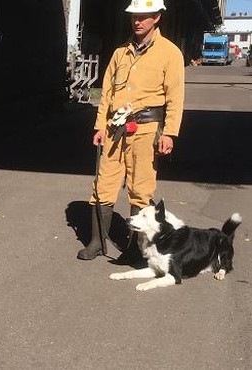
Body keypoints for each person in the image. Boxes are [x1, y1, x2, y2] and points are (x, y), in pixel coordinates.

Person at [76, 0, 184, 260]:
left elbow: (175, 97)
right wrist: (100, 125)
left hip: (146, 129)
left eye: (144, 16)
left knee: (141, 187)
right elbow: (107, 94)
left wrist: (169, 132)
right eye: (135, 16)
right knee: (103, 184)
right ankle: (97, 242)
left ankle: (136, 248)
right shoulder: (119, 53)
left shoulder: (169, 53)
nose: (138, 21)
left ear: (157, 17)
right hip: (115, 128)